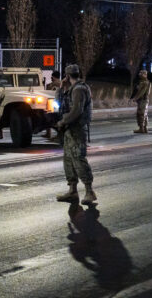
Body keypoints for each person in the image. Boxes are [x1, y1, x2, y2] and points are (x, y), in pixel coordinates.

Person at [54, 64, 97, 205]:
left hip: (77, 129)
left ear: (67, 75)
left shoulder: (79, 89)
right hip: (69, 130)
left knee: (79, 159)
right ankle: (73, 190)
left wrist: (62, 121)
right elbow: (58, 103)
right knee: (68, 160)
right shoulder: (71, 89)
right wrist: (61, 87)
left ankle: (89, 191)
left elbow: (76, 111)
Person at [130, 69, 152, 133]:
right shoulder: (142, 82)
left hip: (143, 100)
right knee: (143, 114)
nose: (140, 74)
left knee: (141, 114)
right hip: (142, 100)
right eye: (140, 73)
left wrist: (135, 98)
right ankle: (144, 128)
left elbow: (142, 92)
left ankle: (142, 128)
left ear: (145, 75)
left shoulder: (145, 83)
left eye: (142, 73)